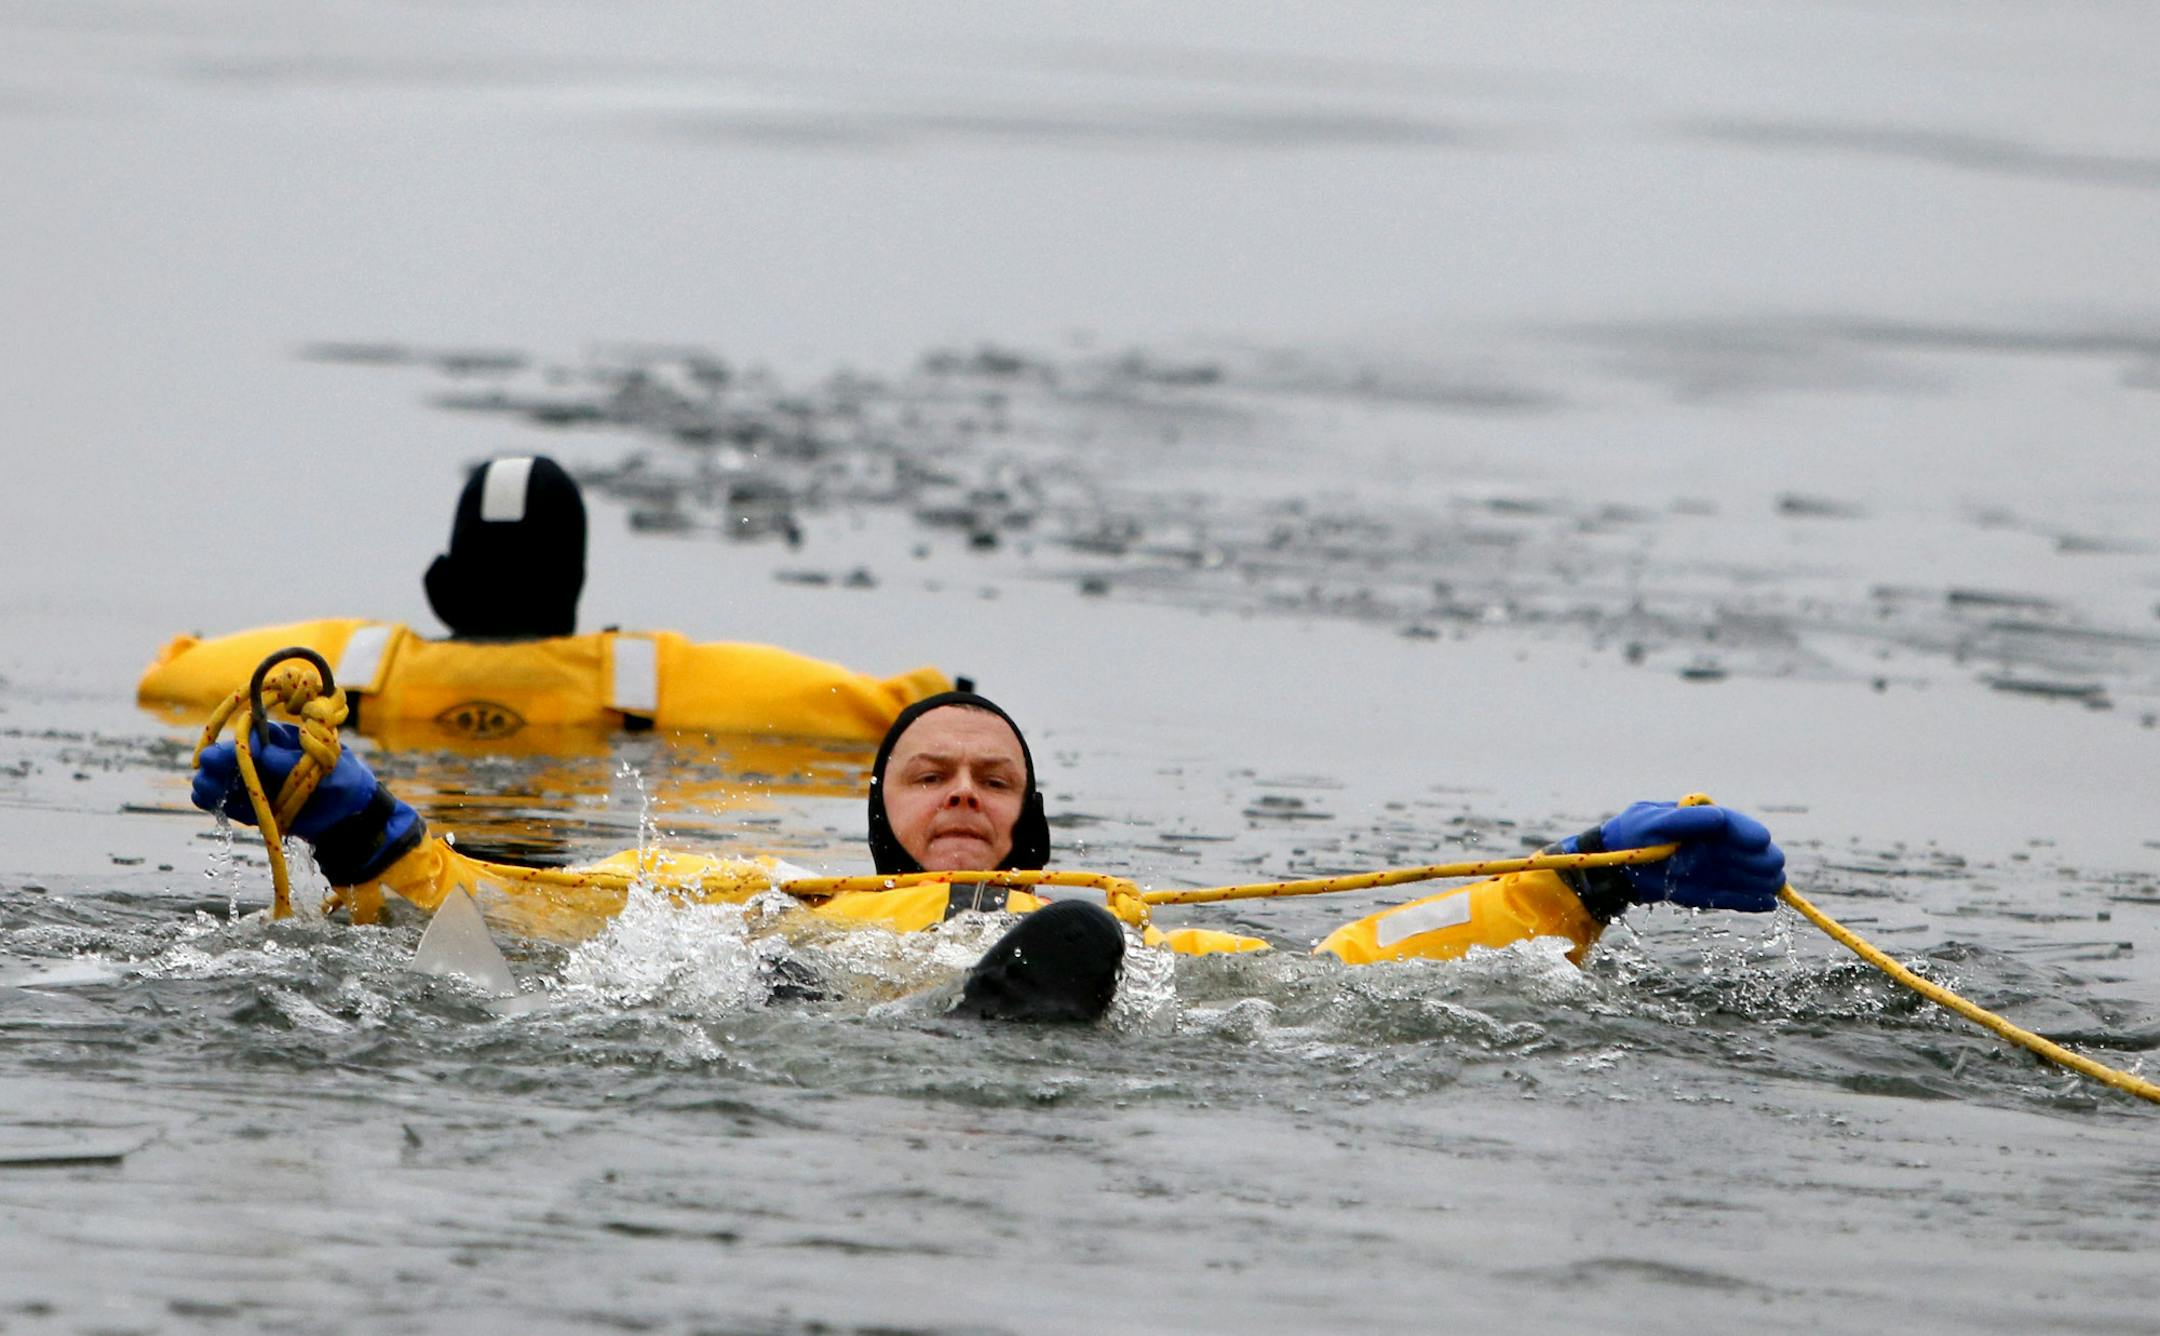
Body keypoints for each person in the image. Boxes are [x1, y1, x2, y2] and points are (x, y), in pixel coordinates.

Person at [190, 692, 1786, 1022]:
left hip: (1075, 969)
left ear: (1025, 819)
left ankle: (1020, 1010)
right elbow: (516, 919)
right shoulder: (758, 896)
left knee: (1161, 973)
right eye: (930, 775)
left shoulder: (1132, 916)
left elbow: (1352, 966)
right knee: (713, 969)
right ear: (884, 812)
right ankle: (948, 1025)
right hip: (799, 982)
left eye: (992, 780)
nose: (960, 792)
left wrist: (1577, 883)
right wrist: (358, 830)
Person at [138, 456, 954, 741]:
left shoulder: (346, 667)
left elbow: (169, 680)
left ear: (441, 585)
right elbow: (878, 712)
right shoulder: (645, 681)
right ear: (575, 590)